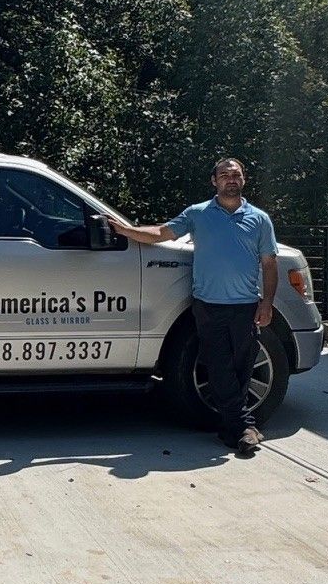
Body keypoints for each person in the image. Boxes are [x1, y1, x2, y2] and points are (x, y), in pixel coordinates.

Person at [110, 157, 278, 456]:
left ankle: (233, 429)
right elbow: (161, 233)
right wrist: (125, 230)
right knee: (219, 368)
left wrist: (267, 303)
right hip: (208, 306)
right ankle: (245, 427)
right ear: (214, 181)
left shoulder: (260, 219)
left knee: (242, 367)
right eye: (224, 175)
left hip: (246, 306)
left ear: (244, 179)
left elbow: (269, 263)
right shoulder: (198, 213)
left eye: (236, 175)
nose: (230, 179)